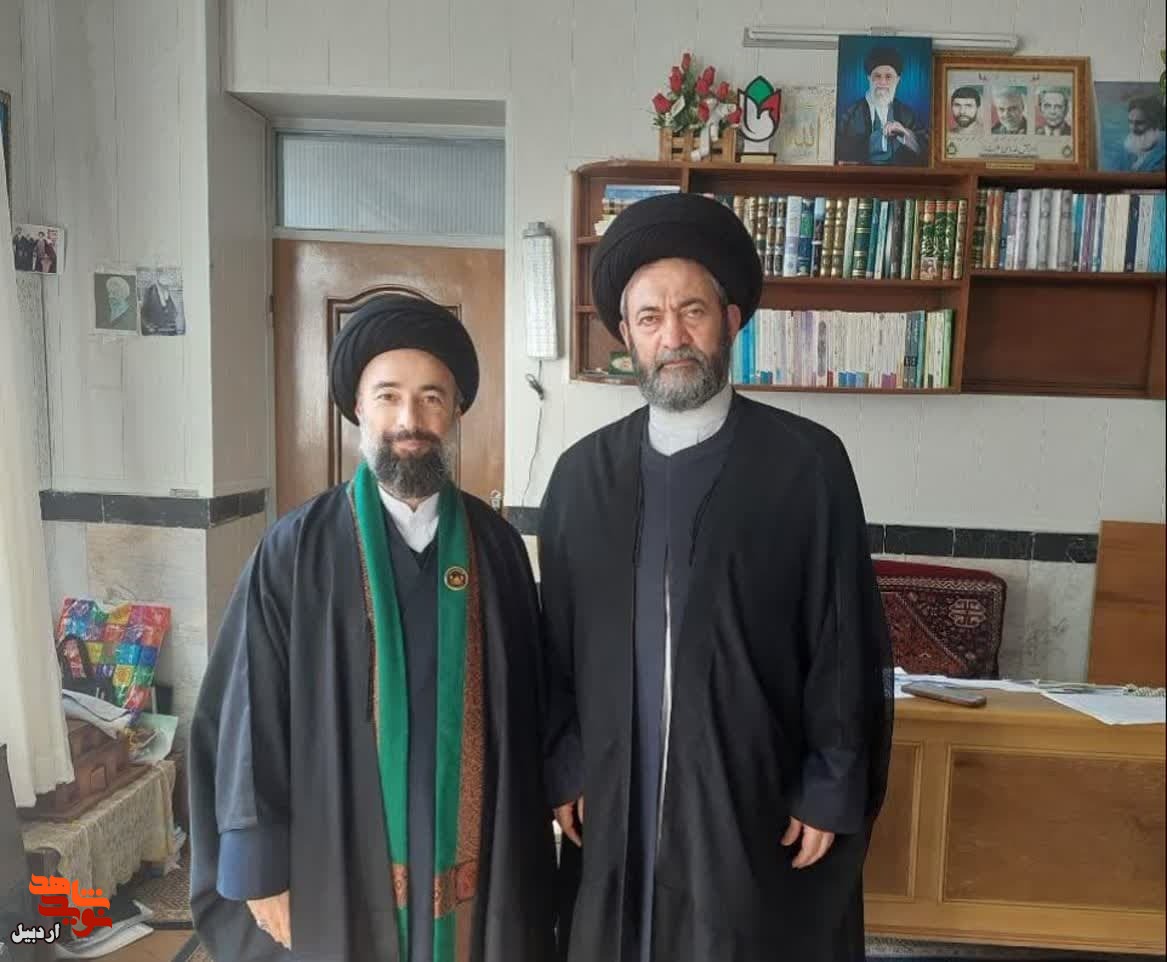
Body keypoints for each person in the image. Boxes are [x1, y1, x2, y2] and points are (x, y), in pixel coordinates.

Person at [539, 193, 893, 962]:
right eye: (649, 317)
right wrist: (565, 767)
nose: (672, 336)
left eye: (691, 311)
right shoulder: (579, 479)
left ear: (730, 321)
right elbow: (554, 650)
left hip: (751, 789)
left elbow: (842, 642)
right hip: (614, 789)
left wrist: (829, 782)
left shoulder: (806, 465)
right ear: (625, 336)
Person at [190, 293, 556, 962]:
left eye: (431, 398)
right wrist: (259, 867)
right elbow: (247, 714)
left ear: (456, 412)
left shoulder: (497, 550)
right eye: (388, 397)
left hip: (473, 862)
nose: (408, 420)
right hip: (336, 854)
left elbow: (533, 713)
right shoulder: (294, 551)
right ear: (358, 408)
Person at [836, 45, 928, 165]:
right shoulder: (852, 113)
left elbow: (925, 149)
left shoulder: (906, 114)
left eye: (888, 77)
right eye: (877, 76)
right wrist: (879, 138)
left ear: (897, 80)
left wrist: (905, 134)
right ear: (869, 78)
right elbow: (841, 153)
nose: (882, 82)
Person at [1108, 96, 1167, 171]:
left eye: (1139, 123)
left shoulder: (1163, 153)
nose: (1133, 128)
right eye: (1130, 122)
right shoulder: (1125, 149)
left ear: (1155, 124)